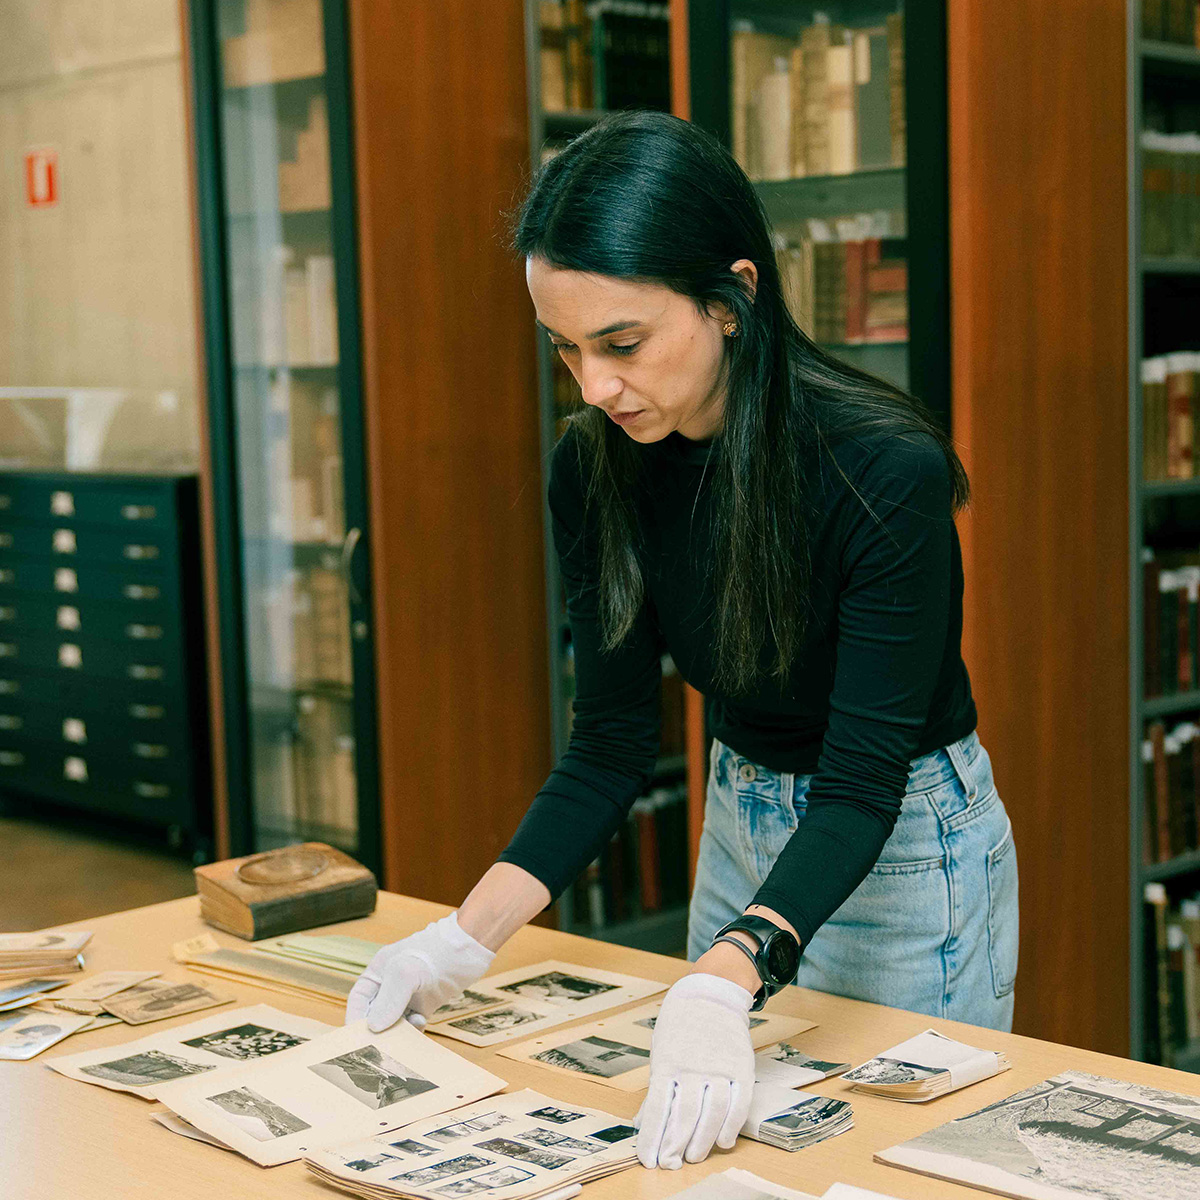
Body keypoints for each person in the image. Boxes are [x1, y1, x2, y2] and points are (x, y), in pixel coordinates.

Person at [346, 110, 1019, 1172]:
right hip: (742, 816)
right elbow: (611, 744)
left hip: (899, 844)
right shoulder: (595, 466)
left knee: (893, 1166)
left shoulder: (881, 469)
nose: (595, 387)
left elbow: (859, 783)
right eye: (564, 349)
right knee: (725, 1159)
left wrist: (729, 965)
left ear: (733, 296)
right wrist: (463, 938)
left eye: (622, 345)